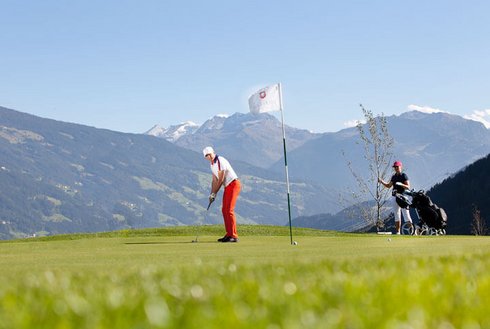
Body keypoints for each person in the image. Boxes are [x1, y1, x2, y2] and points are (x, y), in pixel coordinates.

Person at [202, 146, 241, 242]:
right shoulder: (212, 165)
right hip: (227, 186)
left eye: (209, 154)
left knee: (229, 210)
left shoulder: (219, 160)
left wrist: (215, 193)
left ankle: (234, 236)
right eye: (206, 155)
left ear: (213, 152)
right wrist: (211, 194)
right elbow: (214, 180)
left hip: (233, 184)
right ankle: (229, 234)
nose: (209, 157)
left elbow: (221, 179)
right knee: (224, 210)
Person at [378, 160, 413, 234]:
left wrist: (401, 184)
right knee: (396, 215)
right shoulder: (394, 177)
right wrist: (381, 181)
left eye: (397, 167)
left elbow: (408, 187)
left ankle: (412, 231)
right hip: (394, 197)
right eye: (395, 167)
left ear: (401, 167)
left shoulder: (404, 175)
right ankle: (398, 232)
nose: (396, 168)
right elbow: (388, 185)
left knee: (406, 215)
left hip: (402, 197)